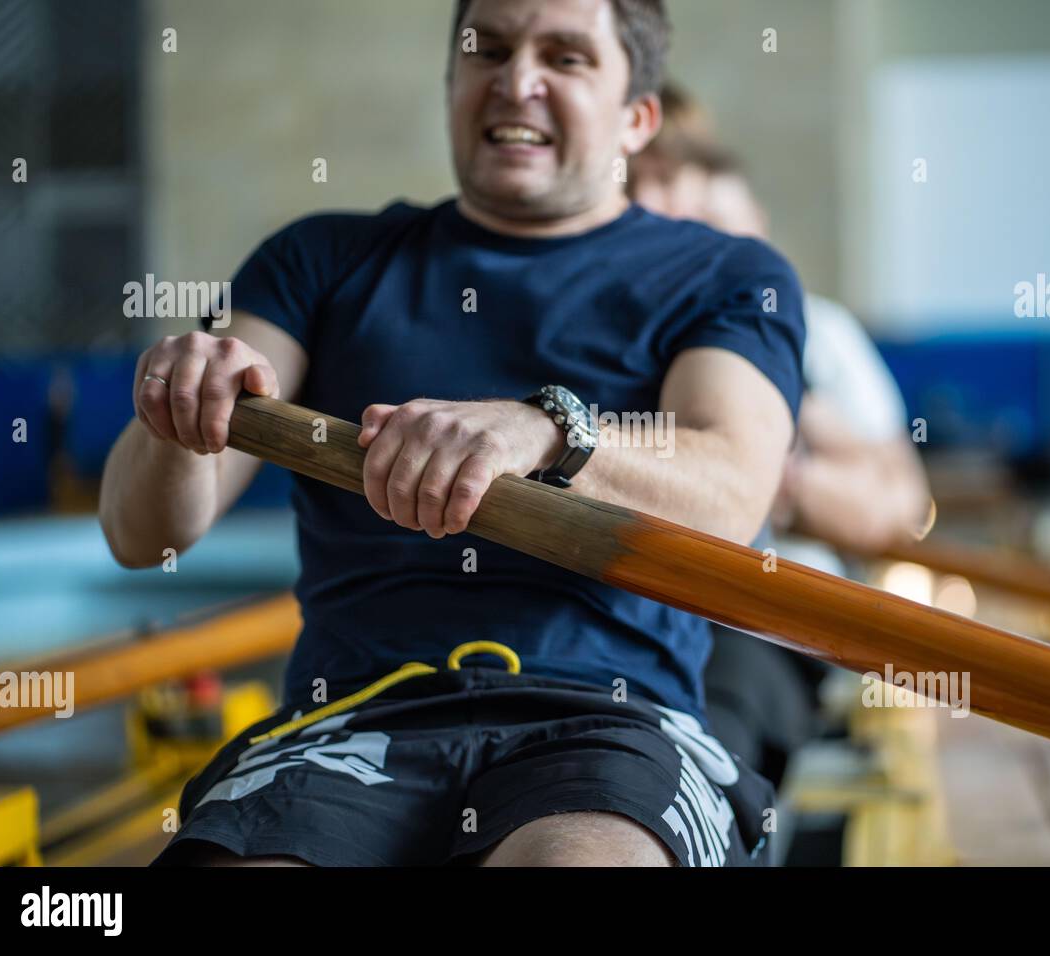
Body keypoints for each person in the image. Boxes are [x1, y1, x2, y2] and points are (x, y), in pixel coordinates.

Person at [99, 0, 806, 867]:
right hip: (347, 723)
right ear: (451, 87)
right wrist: (179, 412)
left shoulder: (727, 275)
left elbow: (731, 492)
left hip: (612, 726)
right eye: (489, 50)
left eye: (566, 57)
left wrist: (549, 432)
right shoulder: (318, 260)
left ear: (637, 119)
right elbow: (143, 534)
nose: (516, 79)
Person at [627, 85, 931, 791]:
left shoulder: (813, 335)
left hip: (760, 620)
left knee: (696, 758)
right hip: (613, 611)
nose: (661, 205)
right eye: (643, 185)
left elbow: (899, 509)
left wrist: (762, 460)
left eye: (680, 186)